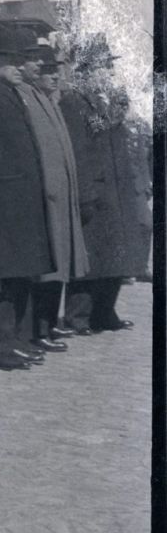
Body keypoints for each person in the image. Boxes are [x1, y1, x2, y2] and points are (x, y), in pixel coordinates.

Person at [0, 24, 55, 370]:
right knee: (5, 280)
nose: (22, 67)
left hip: (19, 202)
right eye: (14, 61)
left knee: (21, 275)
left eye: (23, 61)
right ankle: (1, 346)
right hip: (4, 203)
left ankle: (17, 340)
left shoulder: (10, 93)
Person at [58, 34, 150, 333]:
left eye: (109, 66)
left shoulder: (107, 100)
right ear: (87, 69)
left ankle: (105, 313)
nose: (109, 72)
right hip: (96, 191)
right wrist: (84, 194)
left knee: (115, 256)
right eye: (103, 66)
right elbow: (79, 149)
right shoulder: (74, 101)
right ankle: (79, 316)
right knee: (92, 258)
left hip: (118, 189)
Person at [14, 32, 88, 348]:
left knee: (60, 265)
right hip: (46, 197)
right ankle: (38, 329)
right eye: (48, 71)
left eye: (56, 70)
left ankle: (46, 325)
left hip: (61, 197)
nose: (54, 75)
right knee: (46, 268)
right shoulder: (28, 99)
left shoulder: (49, 100)